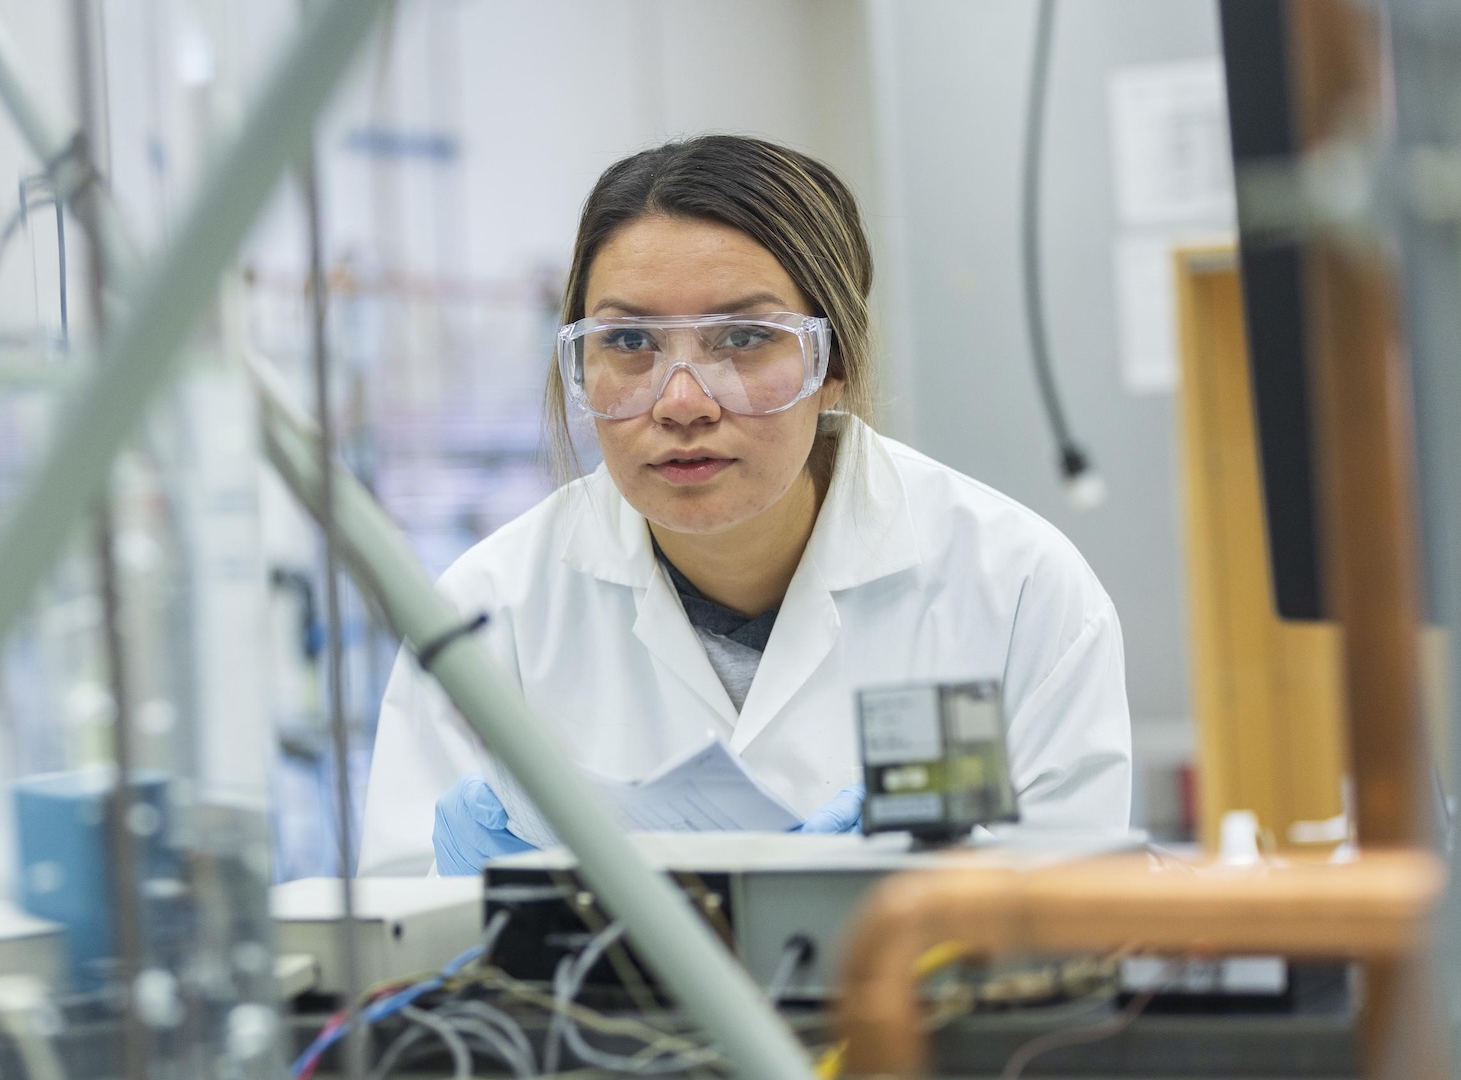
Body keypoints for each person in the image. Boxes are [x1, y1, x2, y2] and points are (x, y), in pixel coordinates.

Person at [359, 135, 1130, 878]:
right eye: (629, 342)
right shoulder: (489, 612)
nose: (683, 402)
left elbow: (1083, 930)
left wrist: (928, 897)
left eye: (744, 336)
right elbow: (399, 955)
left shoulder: (1018, 589)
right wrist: (462, 903)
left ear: (833, 365)